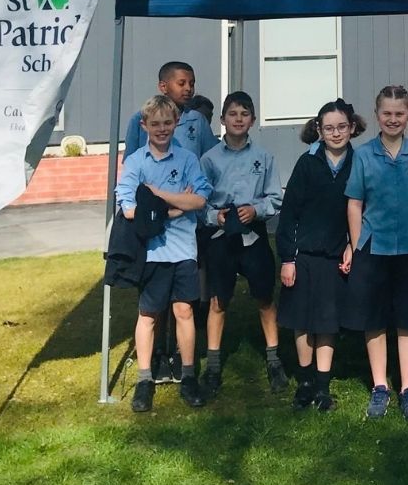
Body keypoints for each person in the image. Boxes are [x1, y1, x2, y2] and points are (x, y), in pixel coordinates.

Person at [115, 94, 212, 413]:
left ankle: (187, 376)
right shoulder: (135, 162)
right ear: (144, 126)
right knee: (149, 314)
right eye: (154, 124)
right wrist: (172, 208)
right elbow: (129, 209)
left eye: (167, 123)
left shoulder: (187, 160)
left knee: (184, 312)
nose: (161, 129)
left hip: (184, 248)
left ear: (175, 125)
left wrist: (155, 195)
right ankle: (144, 380)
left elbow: (199, 200)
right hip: (152, 253)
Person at [344, 85, 408, 420]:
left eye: (399, 114)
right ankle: (380, 386)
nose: (393, 119)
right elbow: (354, 203)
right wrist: (356, 245)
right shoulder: (364, 155)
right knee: (375, 319)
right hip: (373, 248)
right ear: (377, 114)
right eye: (387, 114)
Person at [278, 98, 365, 412]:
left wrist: (351, 245)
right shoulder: (307, 163)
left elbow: (362, 211)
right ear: (319, 130)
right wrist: (288, 258)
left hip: (335, 256)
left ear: (352, 128)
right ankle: (304, 382)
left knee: (327, 322)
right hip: (303, 255)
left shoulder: (359, 162)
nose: (336, 133)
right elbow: (289, 215)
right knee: (303, 321)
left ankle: (323, 386)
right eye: (329, 128)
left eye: (342, 127)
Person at [199, 92, 285, 397]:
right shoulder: (209, 160)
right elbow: (199, 202)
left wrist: (257, 210)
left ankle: (274, 359)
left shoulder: (264, 158)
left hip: (254, 235)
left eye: (244, 114)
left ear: (253, 120)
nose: (238, 119)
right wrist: (214, 216)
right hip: (222, 237)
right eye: (232, 114)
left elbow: (275, 197)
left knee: (264, 297)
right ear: (222, 120)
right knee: (218, 301)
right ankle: (212, 365)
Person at [124, 61, 220, 160]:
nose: (188, 88)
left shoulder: (197, 119)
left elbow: (211, 158)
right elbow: (130, 160)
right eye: (181, 84)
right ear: (163, 87)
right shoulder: (140, 119)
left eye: (191, 84)